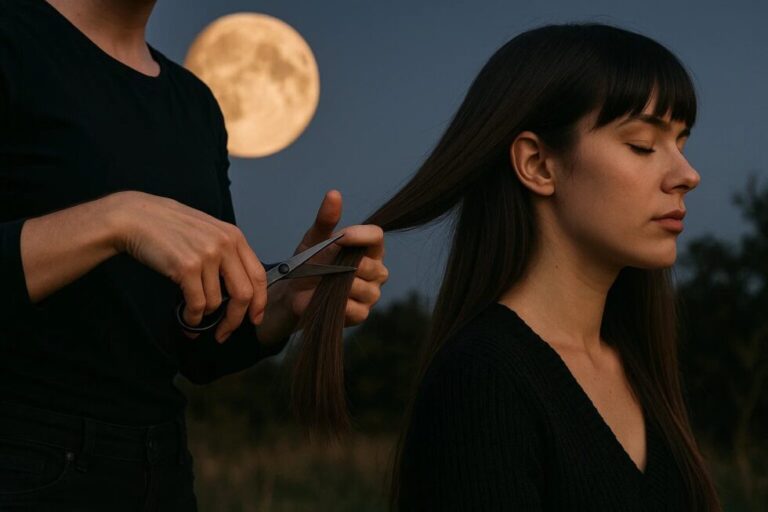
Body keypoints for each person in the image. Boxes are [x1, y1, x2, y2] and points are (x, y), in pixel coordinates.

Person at [299, 23, 723, 511]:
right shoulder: (483, 382)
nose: (687, 175)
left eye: (681, 144)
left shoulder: (639, 363)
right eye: (643, 145)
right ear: (537, 164)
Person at [0, 0, 388, 509]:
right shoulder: (14, 38)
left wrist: (283, 301)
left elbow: (198, 344)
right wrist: (114, 220)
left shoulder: (195, 103)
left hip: (161, 468)